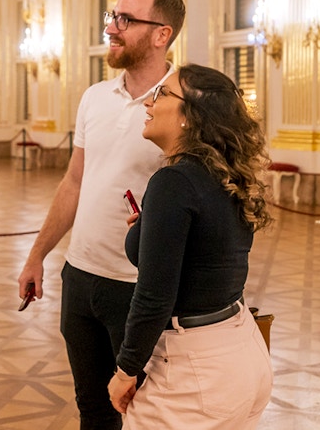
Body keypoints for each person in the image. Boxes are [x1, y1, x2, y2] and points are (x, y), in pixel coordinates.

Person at [17, 0, 186, 430]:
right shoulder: (95, 97)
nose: (111, 27)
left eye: (125, 19)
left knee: (147, 414)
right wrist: (38, 256)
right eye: (113, 16)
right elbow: (74, 181)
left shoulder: (185, 104)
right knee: (92, 410)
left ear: (160, 34)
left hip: (140, 289)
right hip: (80, 279)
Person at [106, 65, 274, 428]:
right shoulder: (224, 176)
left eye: (162, 94)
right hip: (242, 349)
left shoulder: (174, 182)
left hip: (195, 373)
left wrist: (126, 371)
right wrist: (153, 229)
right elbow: (207, 253)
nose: (148, 103)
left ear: (192, 117)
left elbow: (154, 296)